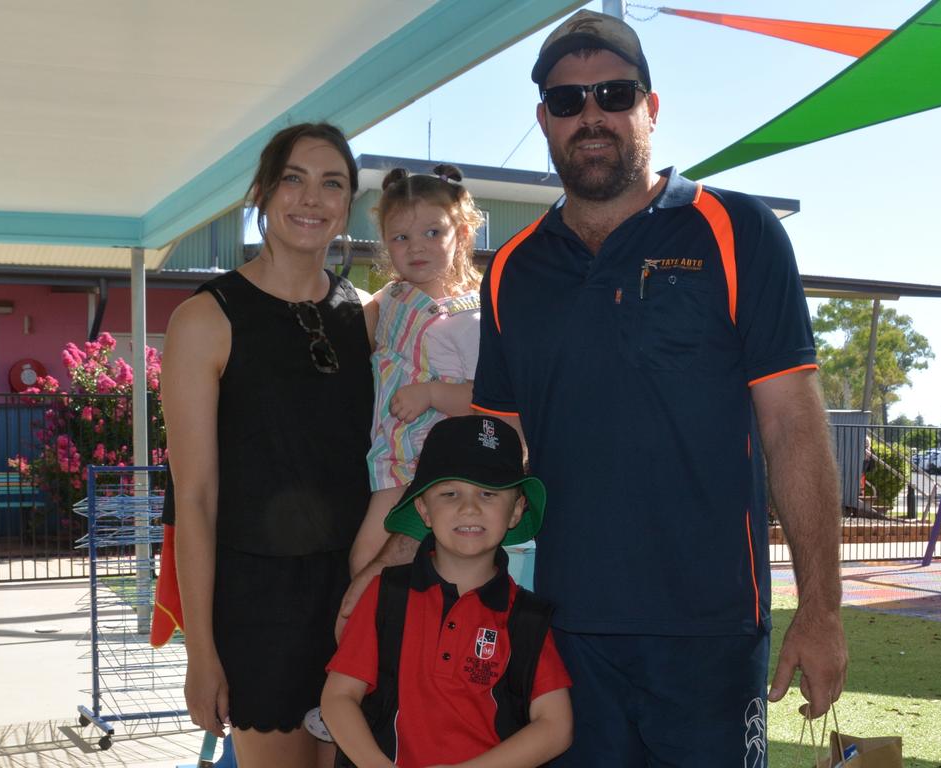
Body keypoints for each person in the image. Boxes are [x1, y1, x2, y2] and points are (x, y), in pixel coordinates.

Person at [342, 10, 848, 766]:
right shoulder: (515, 269)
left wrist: (823, 607)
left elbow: (792, 427)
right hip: (562, 633)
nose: (592, 114)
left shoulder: (737, 232)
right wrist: (390, 560)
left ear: (650, 106)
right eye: (568, 99)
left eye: (614, 92)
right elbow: (492, 451)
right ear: (543, 118)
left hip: (709, 630)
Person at [161, 122, 375, 768]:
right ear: (262, 190)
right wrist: (202, 652)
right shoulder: (205, 320)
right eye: (294, 179)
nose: (312, 199)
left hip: (354, 596)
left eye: (331, 183)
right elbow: (193, 498)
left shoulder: (363, 316)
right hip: (258, 605)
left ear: (347, 205)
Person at [322, 415, 573, 768]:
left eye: (488, 493)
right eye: (450, 493)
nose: (469, 508)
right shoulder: (385, 595)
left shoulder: (526, 619)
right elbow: (338, 697)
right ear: (423, 508)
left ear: (516, 510)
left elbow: (556, 726)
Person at [347, 165, 485, 578]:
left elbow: (486, 399)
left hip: (426, 460)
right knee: (382, 564)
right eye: (400, 237)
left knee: (368, 560)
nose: (415, 247)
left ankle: (364, 634)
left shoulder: (472, 317)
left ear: (460, 236)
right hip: (387, 455)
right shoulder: (389, 299)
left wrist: (431, 395)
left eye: (432, 233)